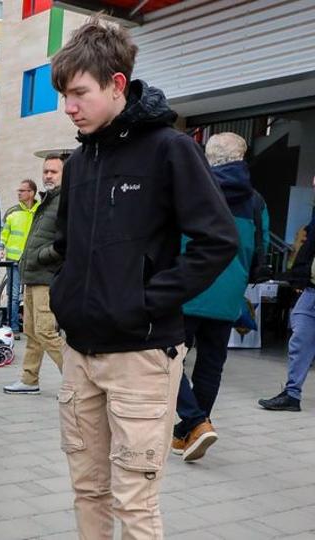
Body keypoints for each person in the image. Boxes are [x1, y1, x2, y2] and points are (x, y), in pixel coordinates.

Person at [50, 18, 238, 539]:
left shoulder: (169, 149)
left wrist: (143, 300)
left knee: (133, 502)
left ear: (116, 84)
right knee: (87, 490)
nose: (70, 106)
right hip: (81, 355)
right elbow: (67, 244)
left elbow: (218, 241)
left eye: (80, 93)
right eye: (65, 95)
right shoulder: (81, 159)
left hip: (141, 355)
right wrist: (68, 293)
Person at [170, 133, 269, 460]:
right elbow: (261, 253)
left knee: (167, 358)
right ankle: (189, 433)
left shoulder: (191, 189)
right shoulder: (255, 201)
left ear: (207, 157)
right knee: (211, 366)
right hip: (227, 296)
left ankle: (195, 422)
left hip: (188, 289)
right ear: (242, 158)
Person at [4, 154, 67, 395]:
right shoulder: (47, 201)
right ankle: (29, 380)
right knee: (31, 332)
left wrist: (42, 256)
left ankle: (76, 381)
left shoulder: (64, 202)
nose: (48, 176)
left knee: (45, 331)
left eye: (53, 172)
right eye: (45, 171)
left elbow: (67, 241)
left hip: (47, 277)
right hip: (32, 275)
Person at [259, 175, 315, 412]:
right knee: (299, 339)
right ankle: (292, 395)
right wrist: (299, 277)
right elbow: (308, 249)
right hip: (312, 290)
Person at [0, 179, 40, 333]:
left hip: (33, 262)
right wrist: (1, 248)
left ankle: (32, 329)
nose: (19, 193)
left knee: (33, 297)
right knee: (14, 296)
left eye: (22, 191)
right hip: (13, 261)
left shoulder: (40, 212)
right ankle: (14, 328)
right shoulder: (12, 212)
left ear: (31, 193)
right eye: (19, 190)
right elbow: (3, 234)